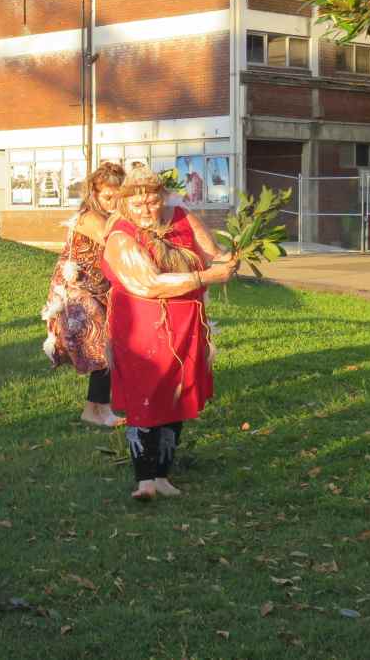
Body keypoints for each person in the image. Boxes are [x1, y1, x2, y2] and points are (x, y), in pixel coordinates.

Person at [101, 165, 238, 500]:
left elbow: (213, 255)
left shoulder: (181, 217)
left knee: (176, 395)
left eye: (152, 202)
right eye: (138, 204)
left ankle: (162, 475)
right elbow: (148, 283)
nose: (146, 210)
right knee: (146, 395)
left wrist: (231, 258)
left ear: (162, 197)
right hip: (141, 327)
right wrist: (205, 278)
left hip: (185, 323)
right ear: (125, 203)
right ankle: (144, 480)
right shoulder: (121, 235)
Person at [42, 161, 126, 427]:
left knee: (107, 345)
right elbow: (115, 243)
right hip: (77, 290)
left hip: (99, 288)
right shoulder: (90, 217)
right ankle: (99, 411)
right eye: (108, 196)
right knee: (102, 344)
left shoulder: (111, 217)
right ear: (94, 194)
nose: (114, 202)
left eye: (119, 197)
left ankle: (95, 410)